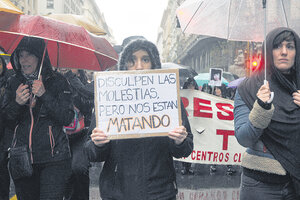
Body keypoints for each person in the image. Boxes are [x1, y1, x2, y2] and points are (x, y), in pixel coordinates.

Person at [84, 39, 194, 200]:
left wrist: (179, 141)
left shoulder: (169, 98)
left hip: (159, 192)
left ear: (154, 63)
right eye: (132, 60)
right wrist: (98, 144)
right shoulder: (109, 98)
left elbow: (186, 148)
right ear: (124, 65)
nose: (139, 66)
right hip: (117, 193)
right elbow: (90, 151)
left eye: (145, 59)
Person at [1, 36, 74, 200]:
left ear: (40, 57)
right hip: (21, 158)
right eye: (20, 55)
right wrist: (17, 103)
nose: (23, 60)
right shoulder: (13, 82)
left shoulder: (58, 81)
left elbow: (67, 117)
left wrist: (44, 95)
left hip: (54, 159)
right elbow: (7, 120)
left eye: (29, 55)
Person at [234, 27, 300, 199]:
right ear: (268, 51)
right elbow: (244, 137)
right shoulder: (249, 88)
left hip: (295, 182)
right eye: (277, 46)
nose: (284, 52)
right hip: (260, 185)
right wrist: (261, 107)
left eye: (290, 46)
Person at [58, 68, 94, 200]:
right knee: (66, 172)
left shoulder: (84, 85)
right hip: (62, 135)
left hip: (81, 134)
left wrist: (72, 84)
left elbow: (88, 102)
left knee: (78, 167)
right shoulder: (56, 82)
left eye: (70, 65)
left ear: (78, 71)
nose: (65, 67)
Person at [180, 77, 197, 175]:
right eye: (189, 85)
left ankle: (190, 166)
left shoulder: (199, 96)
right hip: (185, 124)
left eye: (193, 85)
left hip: (195, 126)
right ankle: (184, 166)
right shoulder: (181, 95)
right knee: (184, 142)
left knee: (192, 145)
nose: (191, 87)